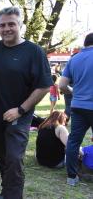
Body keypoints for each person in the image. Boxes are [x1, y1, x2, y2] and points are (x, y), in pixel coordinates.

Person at [0, 7, 52, 199]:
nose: (6, 28)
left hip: (20, 116)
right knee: (1, 158)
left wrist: (20, 110)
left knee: (14, 159)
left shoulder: (34, 51)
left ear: (20, 25)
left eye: (11, 24)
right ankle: (6, 193)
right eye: (2, 25)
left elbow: (44, 86)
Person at [59, 32, 93, 186]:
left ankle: (72, 177)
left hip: (78, 106)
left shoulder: (74, 59)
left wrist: (74, 92)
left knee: (73, 141)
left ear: (85, 43)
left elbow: (62, 86)